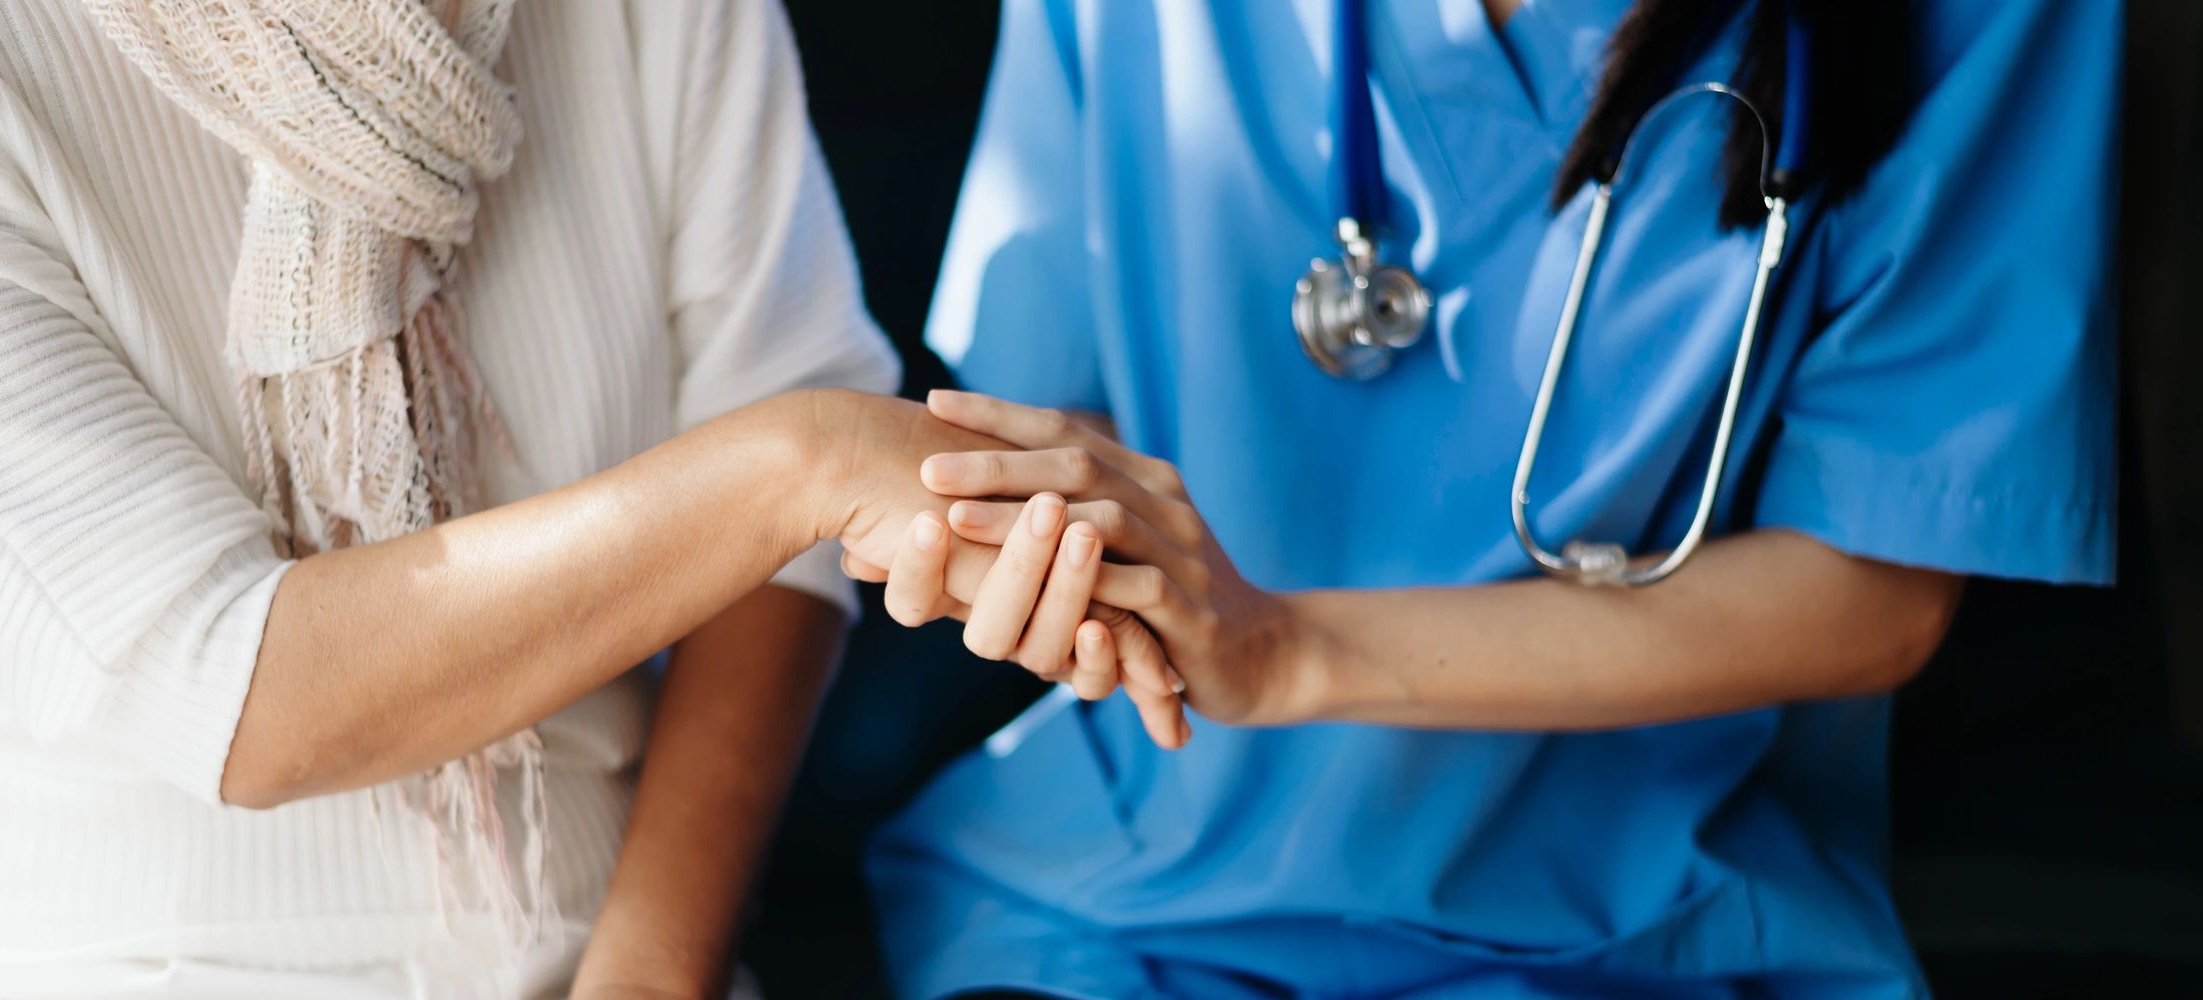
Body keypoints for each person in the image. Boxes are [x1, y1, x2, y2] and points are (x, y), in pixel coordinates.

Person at [854, 0, 2120, 996]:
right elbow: (1056, 418)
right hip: (1121, 901)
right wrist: (1035, 554)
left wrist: (1283, 649)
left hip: (1643, 934)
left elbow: (1867, 593)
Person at [0, 1, 1120, 996]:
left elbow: (792, 469)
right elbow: (235, 690)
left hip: (613, 938)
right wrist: (796, 467)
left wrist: (651, 971)